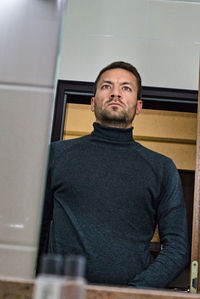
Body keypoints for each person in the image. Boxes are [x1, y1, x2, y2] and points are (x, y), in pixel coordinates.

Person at [40, 61, 190, 288]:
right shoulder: (56, 155)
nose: (116, 93)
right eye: (106, 86)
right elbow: (33, 229)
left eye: (126, 88)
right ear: (92, 103)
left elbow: (178, 247)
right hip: (61, 292)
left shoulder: (161, 168)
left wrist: (134, 291)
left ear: (138, 106)